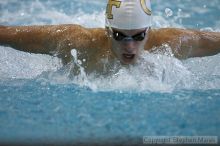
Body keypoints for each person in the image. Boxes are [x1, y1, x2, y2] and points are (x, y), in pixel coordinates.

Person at [0, 0, 220, 73]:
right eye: (119, 35)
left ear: (149, 31)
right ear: (107, 31)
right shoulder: (77, 43)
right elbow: (7, 34)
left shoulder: (172, 43)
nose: (130, 46)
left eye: (138, 36)